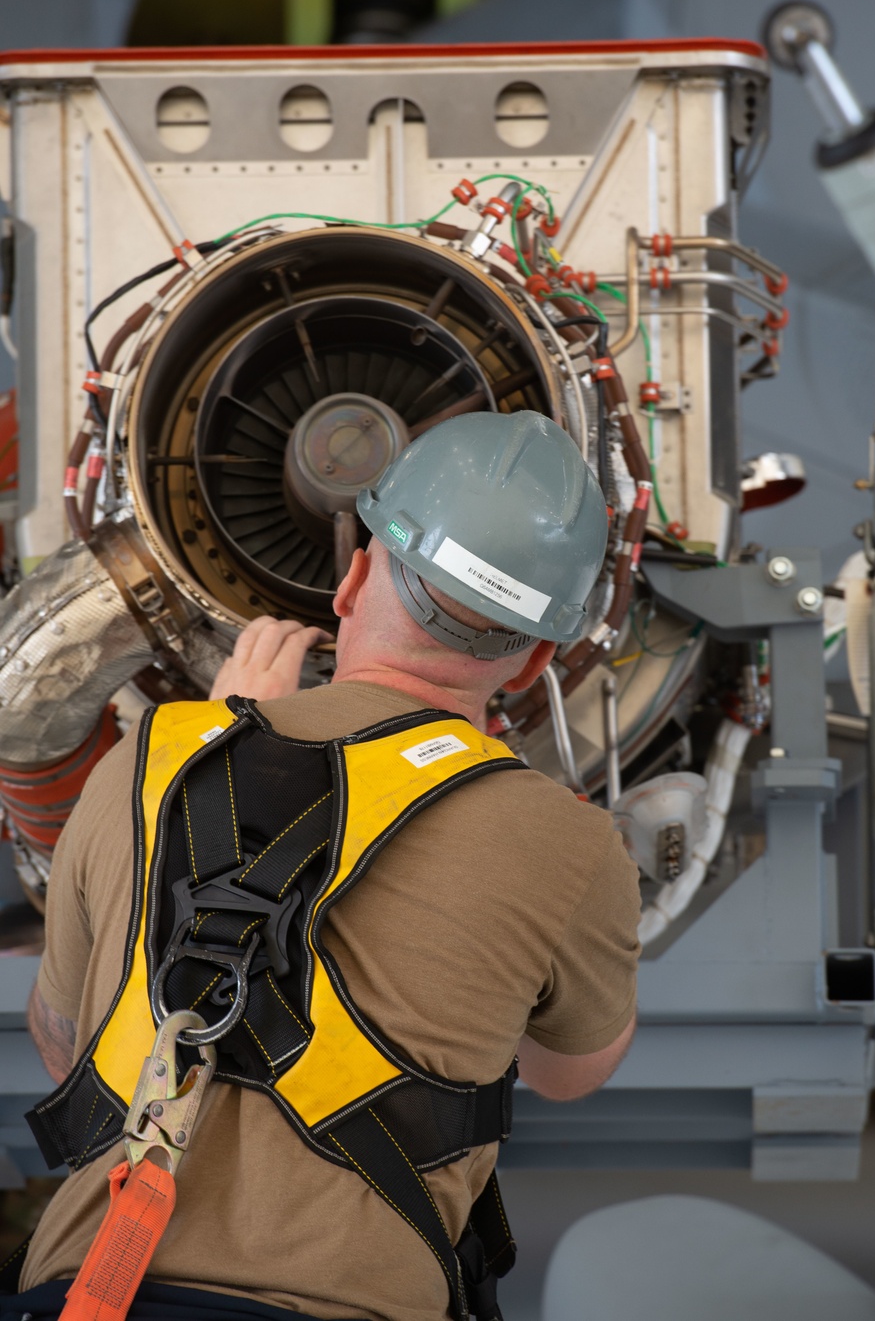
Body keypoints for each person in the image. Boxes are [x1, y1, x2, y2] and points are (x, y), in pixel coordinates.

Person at [16, 412, 641, 1321]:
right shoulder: (572, 846)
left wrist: (219, 746)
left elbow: (66, 1047)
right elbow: (567, 1074)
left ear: (353, 580)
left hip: (95, 1295)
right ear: (537, 657)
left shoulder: (143, 763)